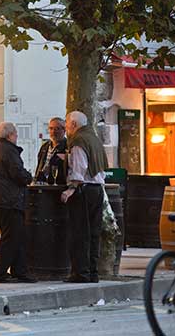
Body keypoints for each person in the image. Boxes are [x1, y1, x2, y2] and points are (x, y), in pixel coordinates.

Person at [0, 122, 36, 283]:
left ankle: (20, 270)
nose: (16, 137)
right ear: (10, 135)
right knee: (11, 237)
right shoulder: (9, 150)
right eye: (15, 135)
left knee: (16, 236)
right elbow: (18, 173)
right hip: (8, 200)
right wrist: (29, 177)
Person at [61, 111, 108, 283]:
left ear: (73, 124)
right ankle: (93, 272)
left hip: (84, 191)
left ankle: (81, 273)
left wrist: (69, 190)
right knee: (94, 233)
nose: (66, 128)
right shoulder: (93, 138)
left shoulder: (79, 141)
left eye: (66, 124)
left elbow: (78, 171)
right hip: (97, 190)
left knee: (80, 234)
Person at [34, 117, 67, 185]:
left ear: (64, 130)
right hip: (43, 185)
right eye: (51, 128)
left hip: (59, 186)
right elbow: (39, 165)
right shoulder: (44, 147)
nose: (54, 132)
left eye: (57, 128)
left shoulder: (67, 146)